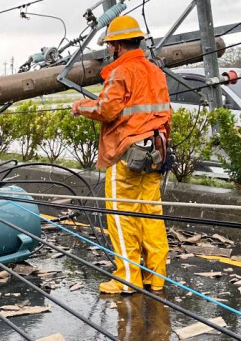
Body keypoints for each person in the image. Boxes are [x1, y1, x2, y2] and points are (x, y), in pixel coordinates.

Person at [70, 15, 172, 294]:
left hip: (127, 155)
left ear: (115, 46)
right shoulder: (155, 72)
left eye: (110, 45)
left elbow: (106, 109)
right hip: (155, 153)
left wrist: (80, 106)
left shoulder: (121, 72)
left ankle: (127, 280)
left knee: (121, 215)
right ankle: (156, 277)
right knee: (150, 215)